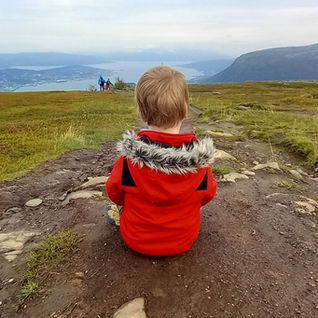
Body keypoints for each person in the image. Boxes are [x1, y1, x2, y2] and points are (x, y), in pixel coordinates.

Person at [106, 66, 217, 256]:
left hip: (136, 240)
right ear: (185, 110)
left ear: (142, 114)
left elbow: (114, 193)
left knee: (116, 207)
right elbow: (207, 195)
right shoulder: (200, 164)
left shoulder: (128, 161)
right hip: (183, 241)